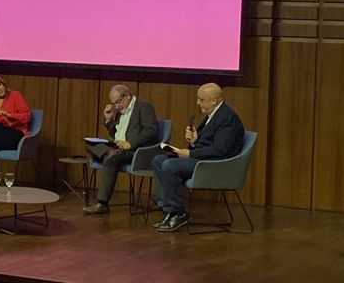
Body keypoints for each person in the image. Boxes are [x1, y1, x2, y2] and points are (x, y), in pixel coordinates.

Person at [152, 82, 244, 232]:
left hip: (215, 165)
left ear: (214, 100)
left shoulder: (227, 118)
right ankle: (169, 210)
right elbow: (208, 145)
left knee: (170, 166)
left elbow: (220, 150)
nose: (197, 102)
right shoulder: (212, 116)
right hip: (203, 160)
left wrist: (191, 153)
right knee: (158, 160)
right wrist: (194, 143)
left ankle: (178, 213)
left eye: (201, 99)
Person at [83, 84, 158, 215]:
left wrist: (131, 143)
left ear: (128, 96)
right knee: (89, 144)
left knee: (112, 157)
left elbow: (150, 131)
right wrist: (108, 120)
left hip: (134, 150)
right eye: (113, 104)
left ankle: (102, 204)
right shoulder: (119, 111)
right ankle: (109, 154)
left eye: (118, 102)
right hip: (117, 146)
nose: (116, 106)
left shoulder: (144, 107)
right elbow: (115, 134)